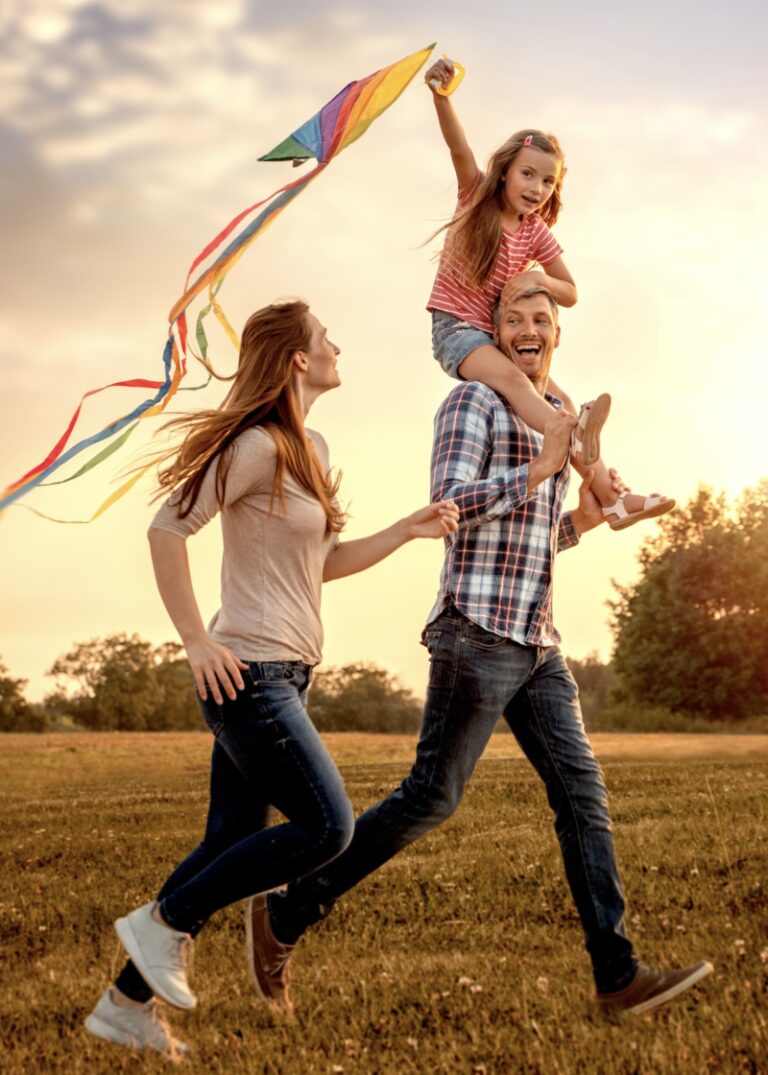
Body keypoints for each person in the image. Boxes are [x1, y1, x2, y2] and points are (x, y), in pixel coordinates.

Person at [253, 287, 713, 1016]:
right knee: (430, 796)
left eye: (542, 321)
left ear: (556, 335)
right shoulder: (472, 405)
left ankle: (617, 977)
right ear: (492, 335)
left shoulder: (550, 415)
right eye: (514, 321)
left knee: (582, 795)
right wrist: (538, 471)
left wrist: (585, 520)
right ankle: (288, 910)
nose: (529, 331)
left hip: (538, 638)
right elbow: (450, 506)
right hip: (475, 632)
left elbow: (531, 542)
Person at [83, 299, 459, 1056]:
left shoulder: (308, 445)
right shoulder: (254, 444)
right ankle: (163, 922)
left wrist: (405, 529)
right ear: (296, 357)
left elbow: (320, 565)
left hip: (286, 671)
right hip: (246, 672)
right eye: (326, 338)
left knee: (229, 836)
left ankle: (123, 1005)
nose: (336, 346)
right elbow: (168, 526)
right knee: (329, 825)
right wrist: (195, 640)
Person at [423, 57, 674, 533]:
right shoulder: (476, 197)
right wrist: (442, 97)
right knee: (524, 391)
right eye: (528, 175)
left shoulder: (534, 231)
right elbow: (458, 148)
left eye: (547, 182)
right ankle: (569, 434)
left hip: (493, 337)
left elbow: (571, 290)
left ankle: (613, 500)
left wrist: (539, 280)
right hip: (456, 331)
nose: (537, 188)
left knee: (563, 402)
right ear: (504, 173)